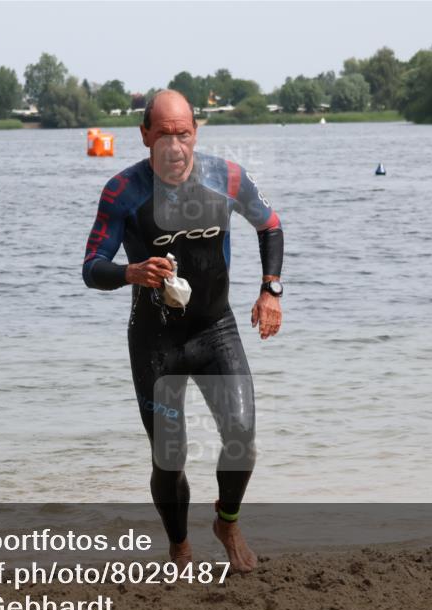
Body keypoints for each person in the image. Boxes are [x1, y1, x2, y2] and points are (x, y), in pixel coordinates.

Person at [82, 90, 284, 572]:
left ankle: (227, 522)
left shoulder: (227, 177)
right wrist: (131, 272)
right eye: (165, 135)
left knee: (242, 435)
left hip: (216, 328)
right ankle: (179, 546)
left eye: (185, 133)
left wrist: (270, 289)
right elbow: (92, 267)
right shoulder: (122, 191)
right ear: (145, 135)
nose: (175, 146)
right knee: (169, 458)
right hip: (156, 341)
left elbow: (270, 225)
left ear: (197, 132)